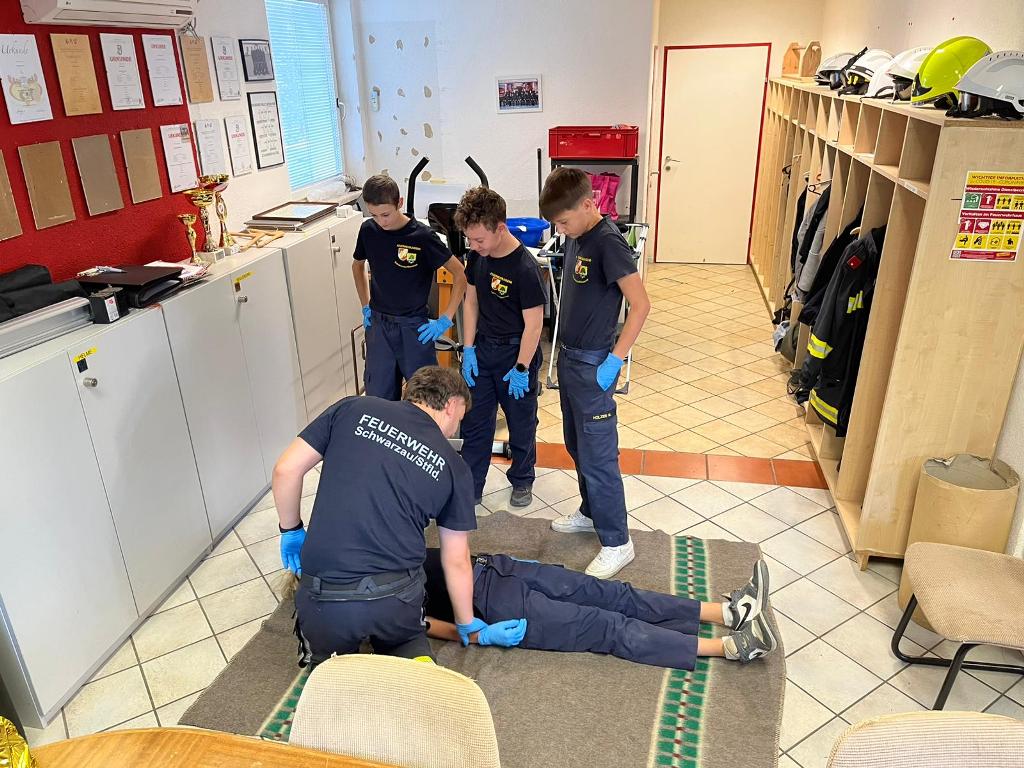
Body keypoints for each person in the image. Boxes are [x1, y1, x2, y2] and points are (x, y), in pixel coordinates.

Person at [272, 366, 500, 665]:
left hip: (325, 598)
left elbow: (286, 470)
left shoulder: (353, 408)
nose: (453, 431)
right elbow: (456, 559)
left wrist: (291, 530)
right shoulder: (454, 467)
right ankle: (412, 659)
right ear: (451, 404)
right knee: (406, 643)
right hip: (395, 599)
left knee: (329, 672)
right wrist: (465, 622)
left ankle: (327, 667)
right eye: (459, 419)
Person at [538, 167, 652, 579]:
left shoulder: (608, 243)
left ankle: (618, 541)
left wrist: (616, 360)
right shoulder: (577, 236)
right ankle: (590, 512)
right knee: (577, 445)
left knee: (599, 457)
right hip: (569, 359)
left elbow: (641, 305)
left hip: (594, 364)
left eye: (564, 221)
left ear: (589, 204)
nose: (560, 229)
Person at [422, 549, 777, 668]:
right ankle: (731, 648)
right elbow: (420, 624)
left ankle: (728, 613)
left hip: (497, 568)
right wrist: (481, 636)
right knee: (605, 627)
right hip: (492, 606)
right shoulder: (386, 597)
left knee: (615, 594)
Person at [454, 187, 546, 507]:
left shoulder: (525, 268)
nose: (474, 246)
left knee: (521, 423)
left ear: (501, 228)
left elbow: (534, 325)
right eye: (470, 239)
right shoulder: (477, 258)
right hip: (482, 351)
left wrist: (521, 367)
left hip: (516, 354)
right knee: (475, 423)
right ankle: (471, 486)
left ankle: (522, 479)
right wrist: (468, 348)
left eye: (479, 239)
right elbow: (471, 302)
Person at [352, 175, 468, 400]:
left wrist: (446, 318)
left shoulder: (422, 236)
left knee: (425, 397)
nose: (381, 222)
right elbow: (357, 266)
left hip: (413, 327)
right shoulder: (368, 230)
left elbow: (460, 274)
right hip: (379, 325)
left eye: (386, 214)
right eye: (374, 215)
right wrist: (365, 306)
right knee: (379, 397)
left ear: (400, 203)